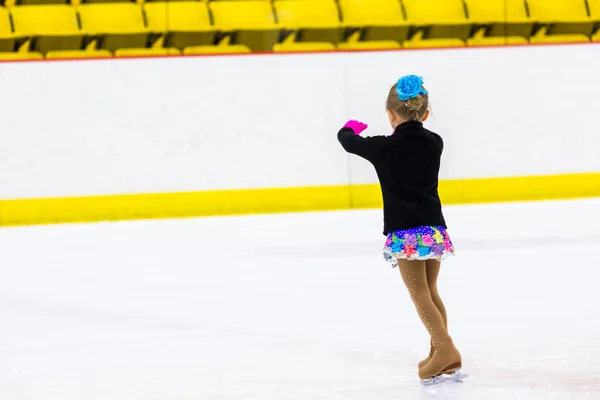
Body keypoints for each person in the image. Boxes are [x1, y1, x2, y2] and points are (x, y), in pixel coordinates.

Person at [337, 75, 463, 384]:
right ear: (425, 112)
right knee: (431, 290)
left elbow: (348, 142)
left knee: (418, 291)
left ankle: (445, 349)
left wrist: (349, 128)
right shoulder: (435, 142)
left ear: (391, 115)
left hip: (406, 233)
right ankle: (439, 354)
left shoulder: (385, 147)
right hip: (433, 229)